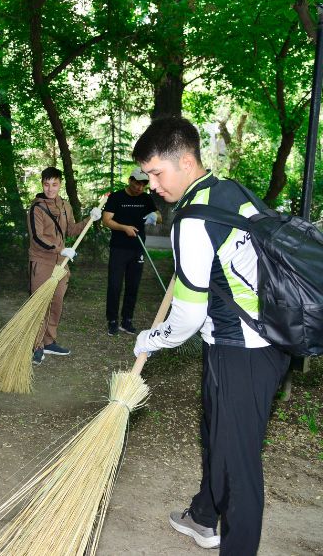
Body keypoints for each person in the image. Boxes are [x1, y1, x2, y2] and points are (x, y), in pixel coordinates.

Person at [131, 117, 290, 555]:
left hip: (240, 350)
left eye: (157, 173)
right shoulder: (230, 192)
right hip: (269, 341)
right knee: (218, 433)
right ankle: (204, 515)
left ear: (186, 161)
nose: (153, 185)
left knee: (240, 466)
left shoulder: (191, 219)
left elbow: (186, 316)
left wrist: (150, 339)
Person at [27, 166, 102, 363]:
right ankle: (37, 345)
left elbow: (71, 230)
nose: (50, 189)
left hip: (61, 263)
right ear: (42, 184)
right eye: (46, 184)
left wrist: (90, 219)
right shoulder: (36, 208)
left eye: (54, 184)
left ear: (60, 184)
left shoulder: (65, 206)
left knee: (56, 303)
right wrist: (60, 250)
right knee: (40, 304)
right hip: (42, 261)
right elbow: (37, 238)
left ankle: (49, 341)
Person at [102, 168, 159, 336]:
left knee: (133, 286)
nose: (139, 187)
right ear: (130, 180)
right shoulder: (116, 197)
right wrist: (124, 228)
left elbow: (159, 215)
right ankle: (112, 321)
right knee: (115, 285)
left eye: (143, 184)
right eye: (137, 183)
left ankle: (127, 320)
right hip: (119, 248)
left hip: (138, 248)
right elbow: (106, 220)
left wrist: (154, 217)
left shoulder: (146, 198)